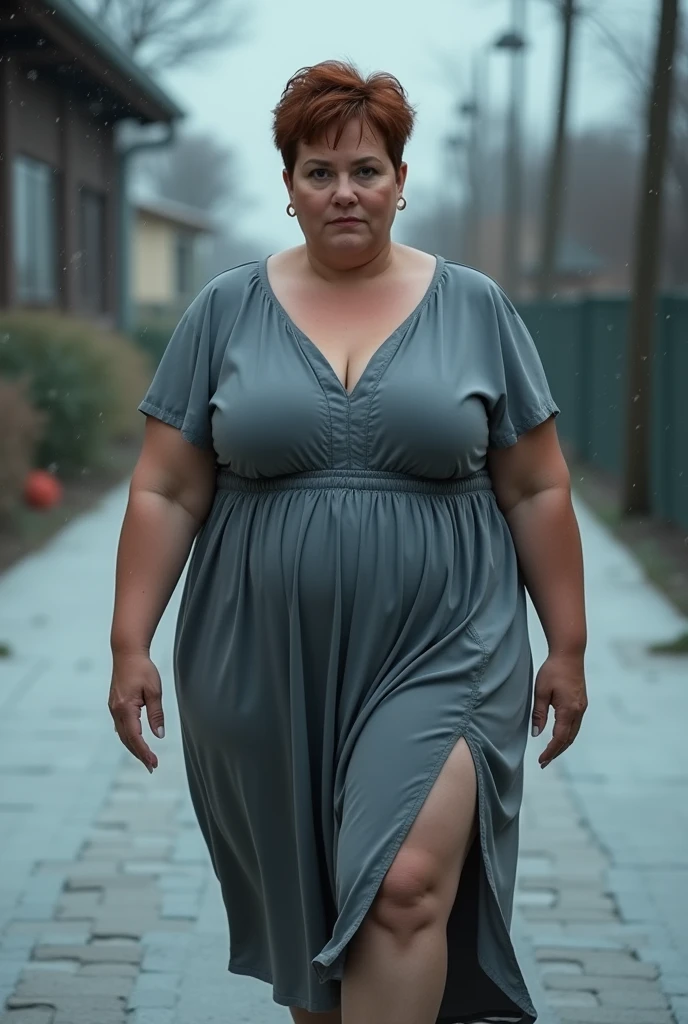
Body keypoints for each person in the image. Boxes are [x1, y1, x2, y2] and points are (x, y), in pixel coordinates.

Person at [108, 60, 588, 1024]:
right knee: (318, 926)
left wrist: (567, 643)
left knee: (404, 883)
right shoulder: (225, 311)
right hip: (262, 658)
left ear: (402, 181)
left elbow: (535, 482)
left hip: (445, 640)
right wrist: (130, 640)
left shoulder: (476, 307)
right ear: (287, 187)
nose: (345, 193)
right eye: (319, 172)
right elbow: (167, 485)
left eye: (367, 169)